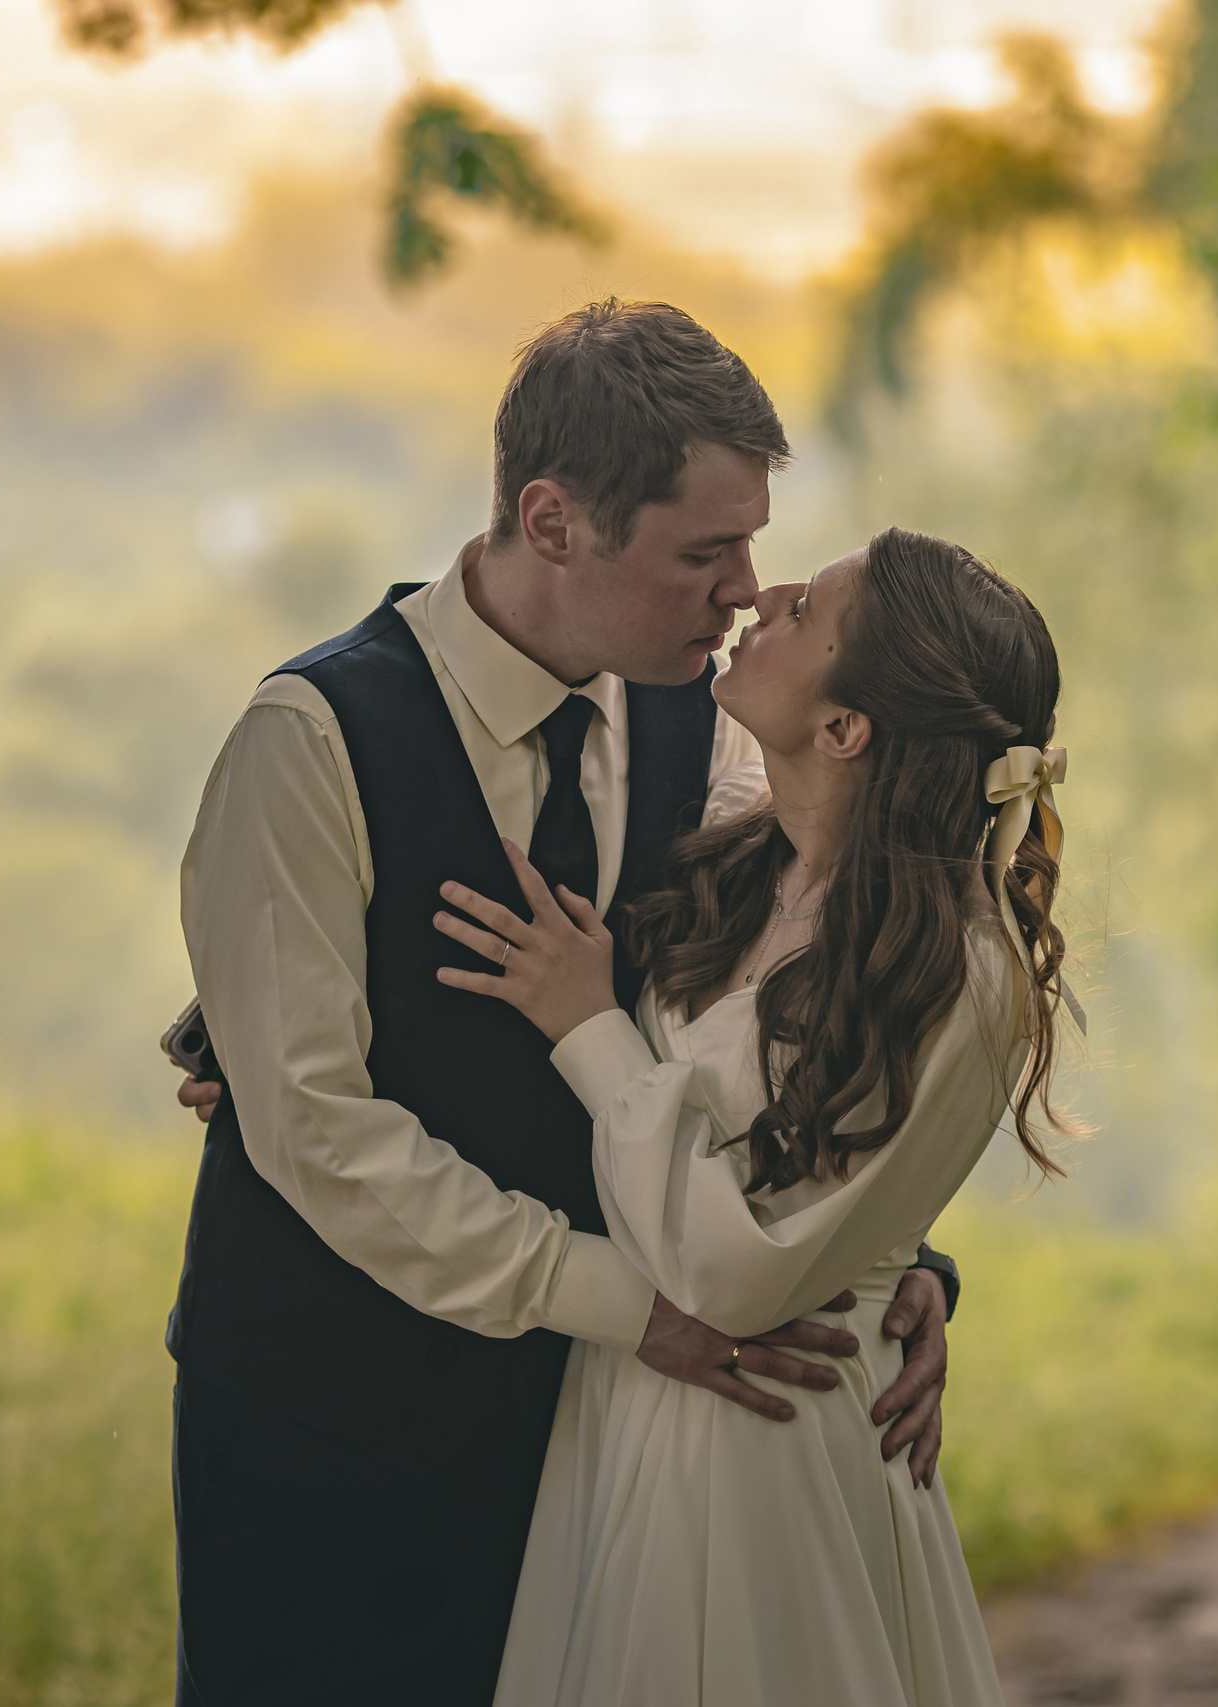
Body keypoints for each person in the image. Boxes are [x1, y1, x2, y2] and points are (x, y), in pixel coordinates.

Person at [165, 301, 966, 1705]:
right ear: (553, 521)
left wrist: (899, 1268)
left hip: (588, 1429)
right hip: (328, 1414)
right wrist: (620, 1299)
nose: (743, 592)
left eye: (754, 544)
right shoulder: (308, 744)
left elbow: (781, 1031)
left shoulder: (708, 726)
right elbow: (316, 1129)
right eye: (706, 552)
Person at [431, 527, 1071, 1707]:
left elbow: (736, 1273)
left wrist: (588, 1027)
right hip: (625, 1414)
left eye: (804, 612)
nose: (762, 593)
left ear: (845, 730)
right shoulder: (742, 837)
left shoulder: (964, 973)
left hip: (773, 1443)